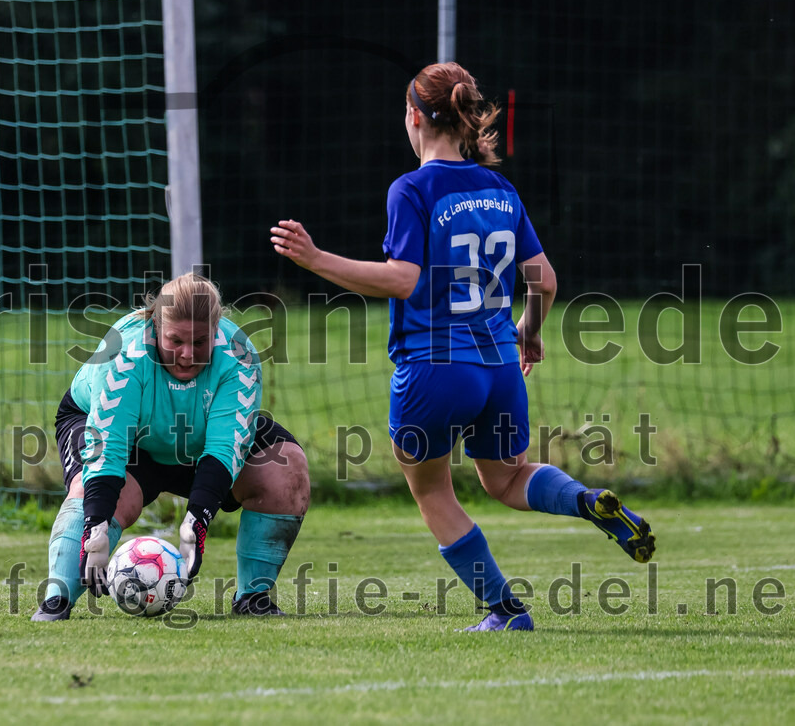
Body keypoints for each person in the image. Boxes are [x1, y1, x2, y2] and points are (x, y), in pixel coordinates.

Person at [271, 62, 655, 632]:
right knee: (506, 478)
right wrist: (529, 330)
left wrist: (315, 260)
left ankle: (505, 611)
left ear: (413, 117)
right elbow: (545, 281)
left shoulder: (411, 189)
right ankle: (582, 499)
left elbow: (402, 279)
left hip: (435, 367)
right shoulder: (500, 189)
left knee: (432, 493)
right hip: (499, 362)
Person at [32, 272, 310, 621]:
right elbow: (110, 449)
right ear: (156, 328)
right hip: (129, 437)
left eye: (200, 342)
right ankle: (57, 599)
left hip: (198, 439)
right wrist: (96, 528)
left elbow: (226, 447)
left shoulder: (238, 356)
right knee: (97, 492)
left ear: (217, 330)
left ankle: (253, 597)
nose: (186, 354)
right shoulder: (125, 355)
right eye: (175, 340)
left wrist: (197, 520)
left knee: (287, 466)